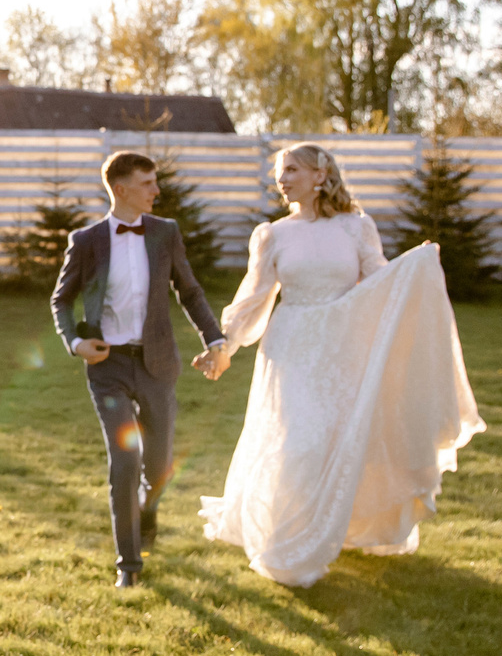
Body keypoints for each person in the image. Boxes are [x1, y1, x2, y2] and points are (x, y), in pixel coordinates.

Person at [194, 142, 482, 586]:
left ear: (320, 175)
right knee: (299, 442)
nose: (282, 178)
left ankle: (336, 528)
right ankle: (288, 540)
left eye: (291, 169)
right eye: (279, 171)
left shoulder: (356, 227)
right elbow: (254, 296)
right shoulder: (272, 234)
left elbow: (380, 279)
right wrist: (224, 346)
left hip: (340, 347)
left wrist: (415, 266)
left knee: (335, 439)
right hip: (290, 347)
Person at [49, 151, 229, 587]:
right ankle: (128, 565)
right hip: (108, 366)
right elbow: (61, 299)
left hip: (157, 364)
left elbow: (189, 290)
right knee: (125, 460)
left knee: (160, 466)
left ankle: (148, 513)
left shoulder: (165, 233)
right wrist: (75, 342)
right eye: (148, 183)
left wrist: (216, 340)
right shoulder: (87, 240)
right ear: (123, 188)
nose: (157, 191)